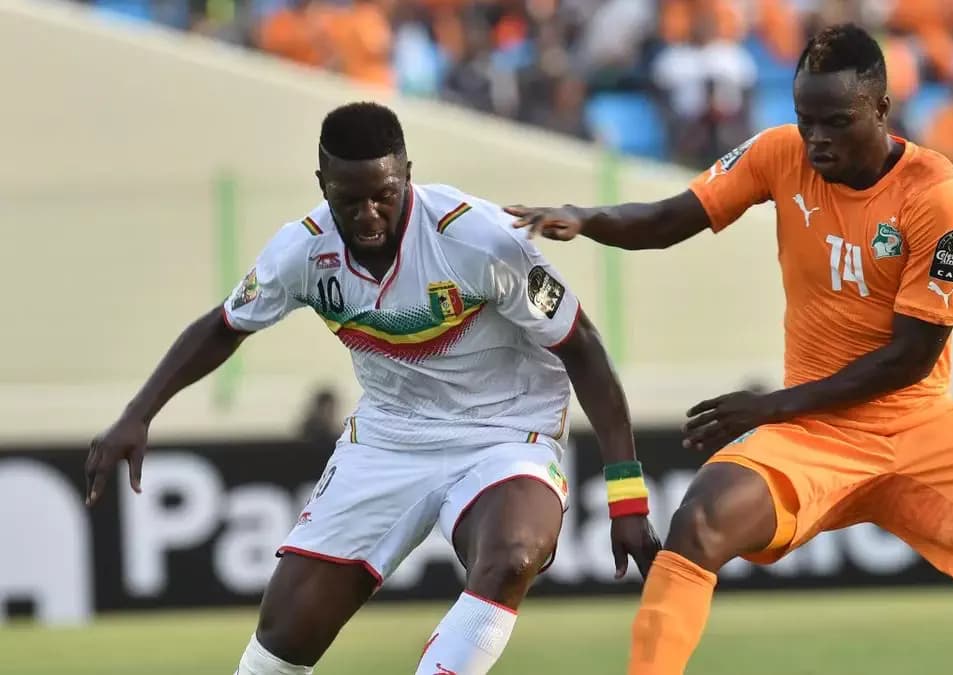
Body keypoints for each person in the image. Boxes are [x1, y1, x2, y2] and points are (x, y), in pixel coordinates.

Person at [508, 24, 953, 675]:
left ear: (882, 109)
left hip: (916, 422)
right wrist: (585, 217)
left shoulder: (940, 196)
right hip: (813, 435)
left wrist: (772, 405)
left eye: (836, 121)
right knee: (701, 520)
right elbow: (670, 217)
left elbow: (909, 358)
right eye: (805, 120)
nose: (817, 138)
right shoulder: (780, 153)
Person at [84, 102, 659, 675]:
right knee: (285, 635)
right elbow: (223, 326)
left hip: (506, 431)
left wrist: (626, 494)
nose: (368, 215)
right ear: (321, 185)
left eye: (384, 193)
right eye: (348, 198)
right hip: (388, 439)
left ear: (408, 173)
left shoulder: (478, 239)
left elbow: (582, 346)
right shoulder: (302, 252)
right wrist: (138, 414)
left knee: (511, 556)